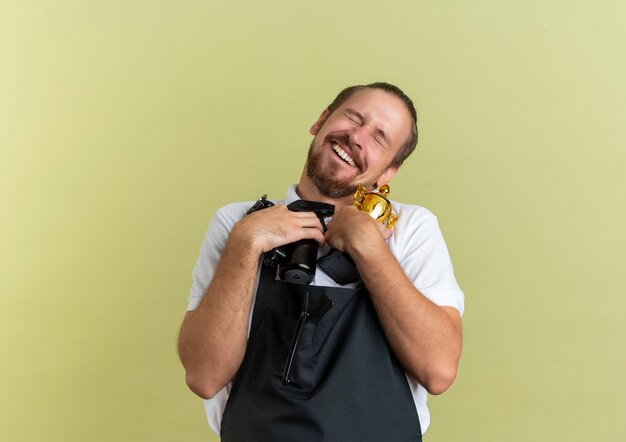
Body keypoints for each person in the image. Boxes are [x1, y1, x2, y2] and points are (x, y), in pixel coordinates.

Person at [178, 82, 464, 441]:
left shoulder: (410, 228)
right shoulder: (237, 224)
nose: (357, 137)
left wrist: (370, 249)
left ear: (388, 173)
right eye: (353, 118)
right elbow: (204, 377)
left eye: (379, 138)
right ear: (321, 121)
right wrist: (245, 244)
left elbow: (438, 370)